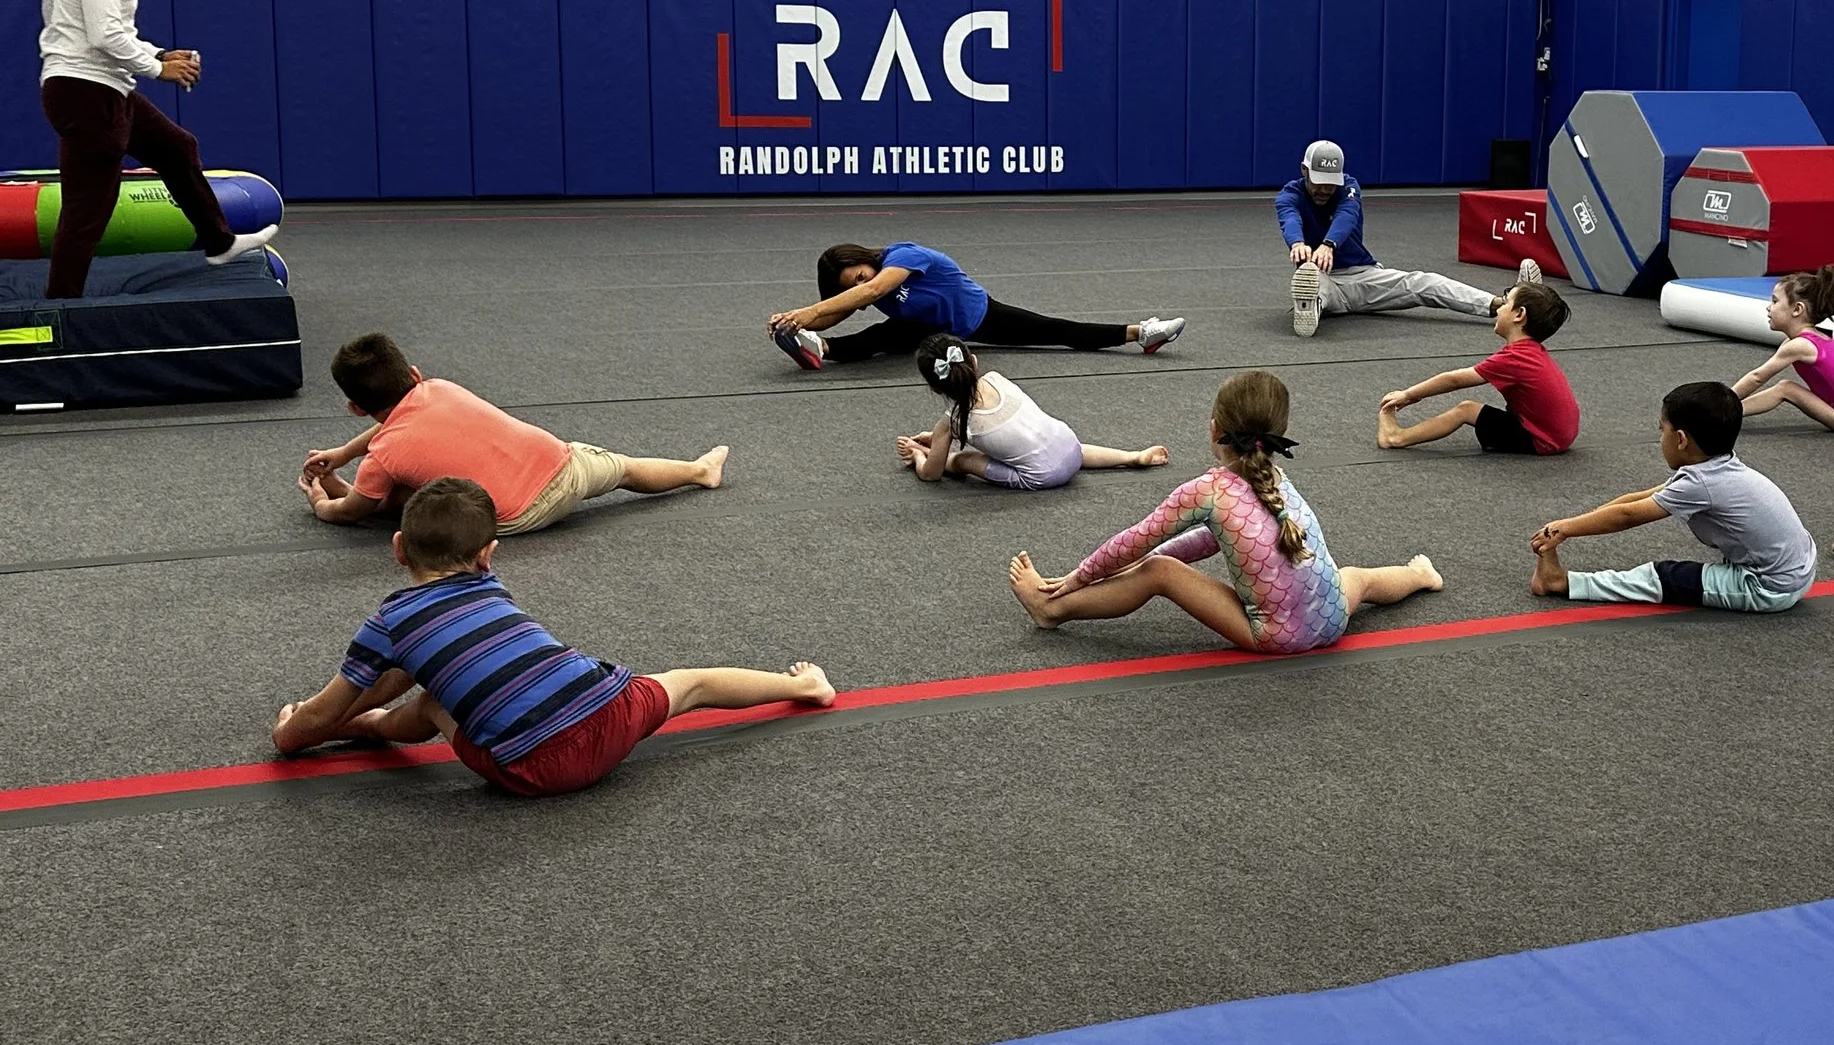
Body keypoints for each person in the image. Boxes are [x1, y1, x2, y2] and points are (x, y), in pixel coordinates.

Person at [270, 476, 835, 797]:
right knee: (693, 684)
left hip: (532, 769)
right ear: (488, 555)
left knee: (433, 700)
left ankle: (372, 726)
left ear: (398, 549)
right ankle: (805, 687)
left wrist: (291, 734)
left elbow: (316, 718)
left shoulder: (390, 622)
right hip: (609, 712)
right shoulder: (491, 588)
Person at [1007, 368, 1441, 652]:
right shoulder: (1273, 477)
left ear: (1214, 429)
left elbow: (1132, 542)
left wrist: (1078, 578)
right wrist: (1136, 562)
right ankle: (1421, 576)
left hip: (1277, 637)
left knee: (1159, 571)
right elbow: (1216, 539)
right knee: (1359, 577)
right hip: (1333, 619)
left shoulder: (1209, 491)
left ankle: (1052, 610)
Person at [35, 0, 279, 298]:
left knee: (176, 147)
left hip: (95, 86)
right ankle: (61, 306)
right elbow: (104, 35)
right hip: (88, 92)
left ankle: (219, 242)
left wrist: (159, 53)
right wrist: (157, 69)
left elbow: (103, 32)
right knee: (87, 211)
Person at [299, 333, 727, 534]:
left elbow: (351, 512)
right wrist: (344, 454)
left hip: (515, 515)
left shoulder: (383, 455)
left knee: (407, 497)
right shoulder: (439, 387)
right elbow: (394, 425)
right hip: (562, 466)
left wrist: (322, 503)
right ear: (415, 374)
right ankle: (698, 471)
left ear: (355, 408)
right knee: (627, 469)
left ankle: (353, 489)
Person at [1529, 381, 1816, 613]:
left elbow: (1627, 516)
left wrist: (1564, 529)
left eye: (1661, 429)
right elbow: (1635, 499)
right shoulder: (1718, 466)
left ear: (1680, 439)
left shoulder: (1700, 483)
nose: (1659, 437)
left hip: (1768, 587)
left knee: (1663, 576)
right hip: (1800, 568)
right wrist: (1570, 524)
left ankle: (1559, 582)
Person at [768, 240, 1184, 369]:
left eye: (859, 275)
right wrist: (793, 325)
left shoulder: (902, 256)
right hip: (928, 329)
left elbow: (872, 292)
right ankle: (821, 350)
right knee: (883, 334)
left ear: (865, 259)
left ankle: (1140, 333)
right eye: (852, 285)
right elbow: (838, 309)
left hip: (980, 316)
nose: (861, 284)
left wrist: (806, 313)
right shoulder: (864, 286)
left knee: (1056, 330)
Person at [1278, 139, 1525, 338]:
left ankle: (1501, 304)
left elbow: (1347, 215)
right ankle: (1310, 306)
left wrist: (1328, 244)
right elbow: (1290, 219)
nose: (1324, 190)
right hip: (1324, 278)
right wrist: (1297, 243)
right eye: (1319, 182)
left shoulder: (1349, 188)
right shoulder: (1289, 195)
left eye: (1330, 184)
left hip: (1365, 276)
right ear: (1304, 170)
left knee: (1422, 282)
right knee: (1312, 281)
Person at [900, 333, 1169, 489]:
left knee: (965, 460)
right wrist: (935, 437)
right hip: (1069, 446)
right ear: (974, 361)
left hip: (1043, 476)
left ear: (935, 388)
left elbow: (931, 475)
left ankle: (936, 454)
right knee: (1051, 442)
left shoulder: (952, 421)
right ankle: (1131, 456)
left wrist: (919, 456)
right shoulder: (996, 378)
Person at [1377, 280, 1579, 454]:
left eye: (1505, 303)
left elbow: (1454, 380)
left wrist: (1409, 394)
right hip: (1559, 434)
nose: (1498, 309)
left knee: (1466, 410)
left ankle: (1396, 437)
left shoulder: (1515, 358)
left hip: (1541, 440)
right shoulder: (1532, 352)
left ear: (1519, 314)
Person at [1732, 265, 1834, 434]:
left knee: (1786, 388)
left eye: (1775, 301)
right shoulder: (1820, 337)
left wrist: (1723, 401)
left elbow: (1757, 377)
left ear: (1797, 309)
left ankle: (1726, 413)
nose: (1769, 307)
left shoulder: (1800, 345)